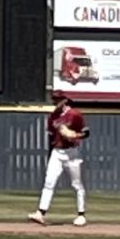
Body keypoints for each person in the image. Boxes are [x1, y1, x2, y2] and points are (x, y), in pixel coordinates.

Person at [35, 89, 89, 226]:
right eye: (54, 99)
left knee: (76, 184)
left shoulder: (74, 114)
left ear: (65, 100)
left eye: (58, 99)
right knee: (49, 182)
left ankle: (81, 215)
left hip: (72, 153)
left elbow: (86, 132)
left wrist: (75, 135)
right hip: (57, 152)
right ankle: (40, 212)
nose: (55, 102)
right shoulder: (53, 116)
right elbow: (51, 135)